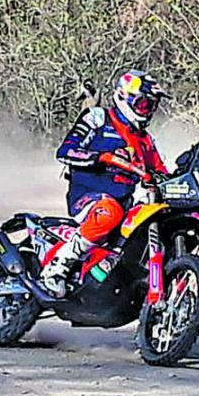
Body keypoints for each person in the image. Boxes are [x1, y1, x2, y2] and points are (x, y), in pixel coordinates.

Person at [40, 69, 170, 298]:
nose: (147, 111)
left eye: (151, 106)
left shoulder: (145, 140)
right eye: (142, 104)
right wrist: (101, 157)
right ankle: (57, 268)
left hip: (125, 203)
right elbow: (65, 151)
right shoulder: (98, 118)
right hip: (89, 196)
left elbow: (160, 171)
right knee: (110, 212)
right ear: (123, 97)